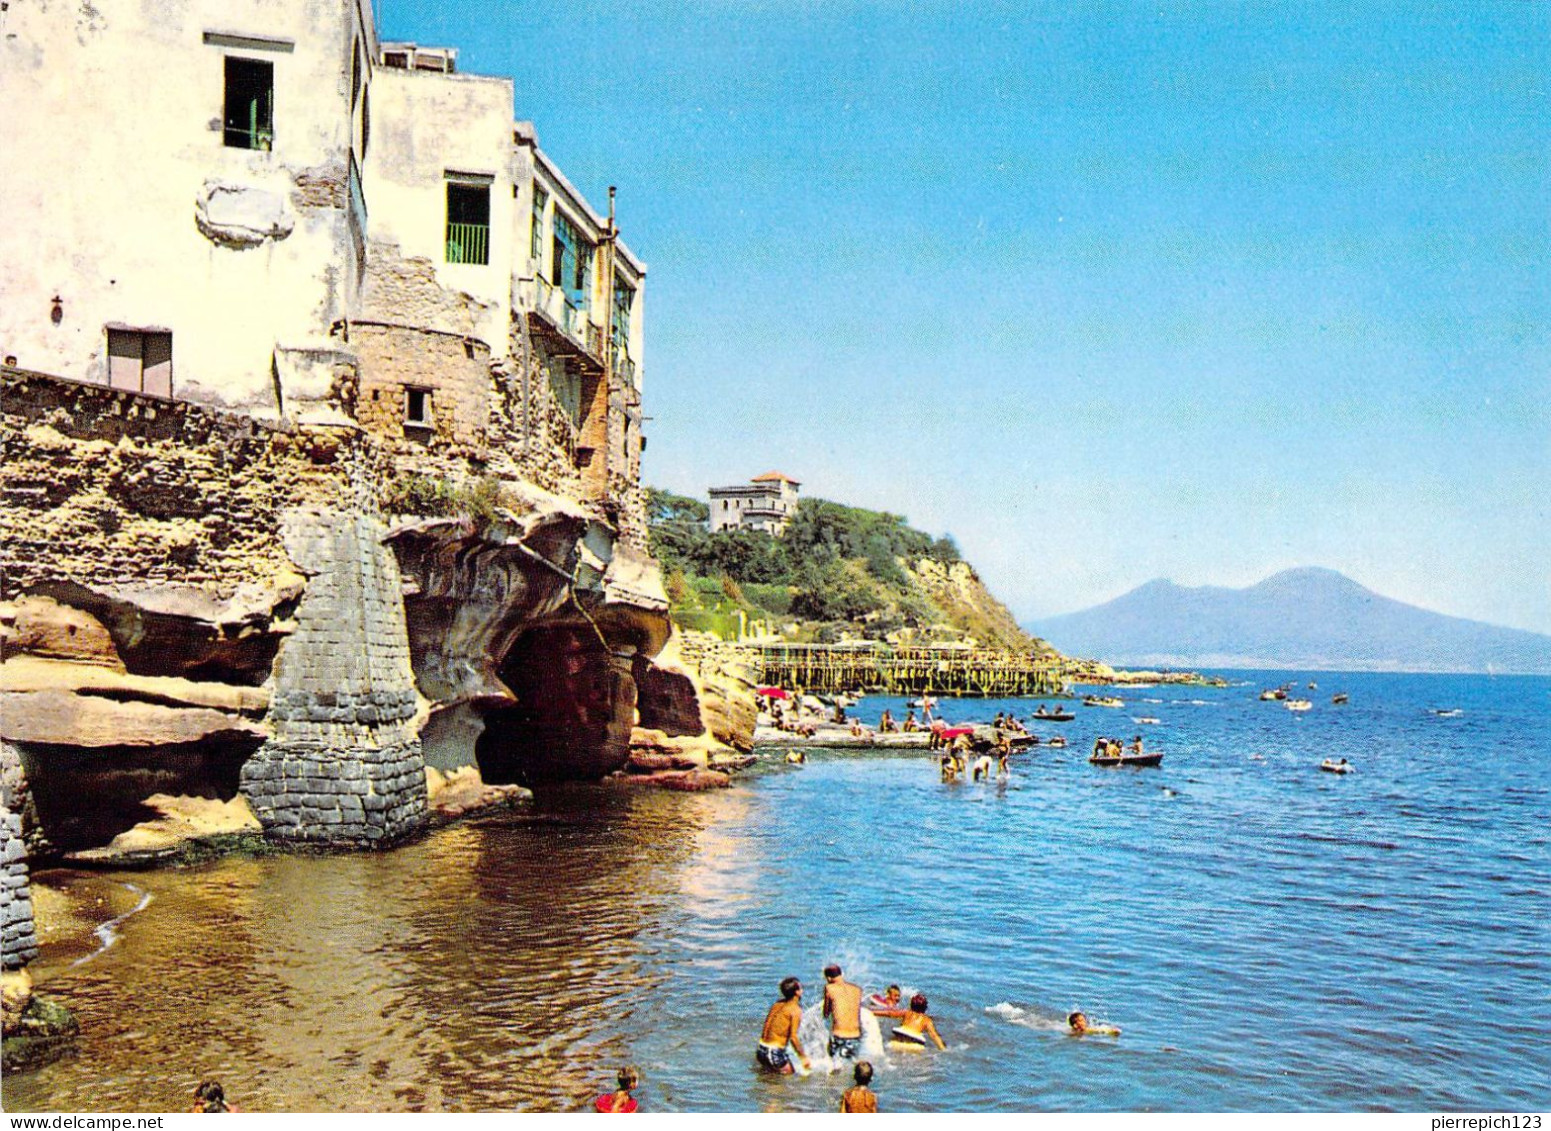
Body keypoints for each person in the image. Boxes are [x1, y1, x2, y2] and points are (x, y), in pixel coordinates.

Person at [757, 977, 811, 1074]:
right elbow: (793, 1038)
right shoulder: (795, 1010)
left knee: (770, 1079)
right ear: (797, 992)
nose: (802, 990)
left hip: (761, 1049)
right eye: (801, 988)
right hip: (773, 1052)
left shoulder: (777, 1004)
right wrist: (803, 1057)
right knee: (789, 1082)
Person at [822, 964, 865, 1060]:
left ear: (828, 978)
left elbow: (826, 1013)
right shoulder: (857, 990)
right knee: (850, 1067)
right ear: (841, 974)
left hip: (839, 1035)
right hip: (856, 1036)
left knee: (834, 1067)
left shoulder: (829, 988)